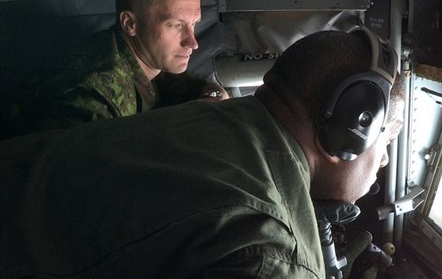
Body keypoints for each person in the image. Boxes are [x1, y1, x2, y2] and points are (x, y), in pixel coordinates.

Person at [0, 28, 405, 278]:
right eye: (386, 137)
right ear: (354, 125)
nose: (385, 159)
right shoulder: (267, 249)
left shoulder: (215, 118)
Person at [26, 0, 228, 132]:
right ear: (130, 24)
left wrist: (213, 96)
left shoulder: (147, 58)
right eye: (175, 25)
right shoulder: (92, 95)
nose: (192, 43)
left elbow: (200, 89)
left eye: (194, 24)